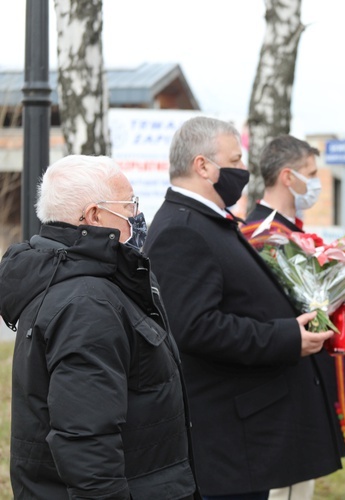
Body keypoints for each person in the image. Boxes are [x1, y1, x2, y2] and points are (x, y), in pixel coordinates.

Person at [143, 117, 342, 499]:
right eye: (235, 161)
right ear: (203, 166)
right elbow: (195, 328)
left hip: (245, 434)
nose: (243, 171)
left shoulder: (209, 222)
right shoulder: (182, 229)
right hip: (226, 436)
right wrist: (286, 337)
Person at [0, 155, 198, 499]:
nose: (137, 214)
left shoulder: (85, 282)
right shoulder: (86, 301)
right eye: (129, 204)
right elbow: (86, 443)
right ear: (94, 216)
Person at [241, 134, 345, 500]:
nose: (315, 184)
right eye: (311, 174)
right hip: (279, 385)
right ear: (288, 177)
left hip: (305, 377)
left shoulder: (291, 232)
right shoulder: (260, 236)